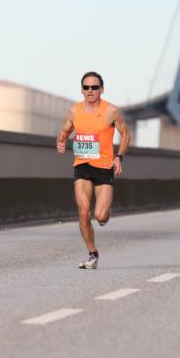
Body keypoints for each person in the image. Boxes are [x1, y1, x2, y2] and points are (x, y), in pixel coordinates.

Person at [56, 72, 131, 269]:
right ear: (82, 90)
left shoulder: (111, 111)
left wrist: (119, 157)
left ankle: (105, 213)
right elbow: (65, 130)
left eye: (94, 87)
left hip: (104, 167)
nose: (90, 91)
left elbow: (125, 135)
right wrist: (61, 141)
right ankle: (92, 254)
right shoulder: (74, 110)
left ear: (102, 90)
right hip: (82, 165)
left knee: (100, 216)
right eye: (86, 87)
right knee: (83, 211)